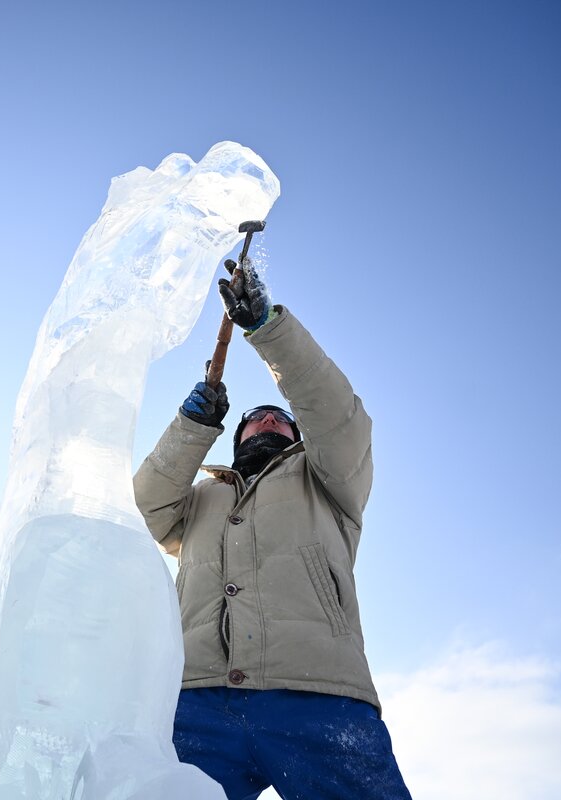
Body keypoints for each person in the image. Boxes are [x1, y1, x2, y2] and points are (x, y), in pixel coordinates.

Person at [133, 263, 412, 800]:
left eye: (279, 419)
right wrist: (193, 426)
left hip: (318, 694)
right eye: (254, 420)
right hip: (195, 700)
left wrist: (266, 327)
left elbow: (336, 416)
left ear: (295, 435)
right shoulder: (199, 500)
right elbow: (147, 504)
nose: (266, 422)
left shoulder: (328, 480)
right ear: (235, 438)